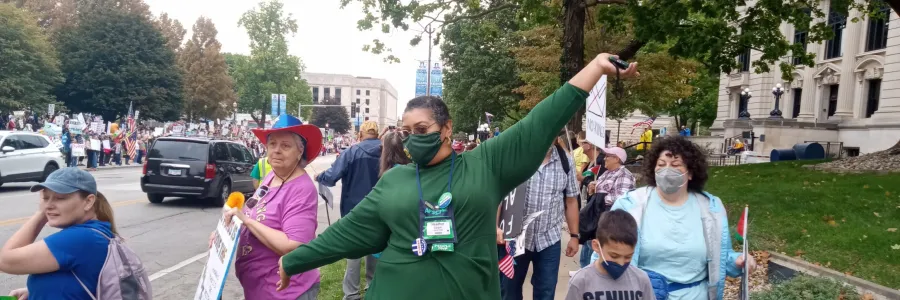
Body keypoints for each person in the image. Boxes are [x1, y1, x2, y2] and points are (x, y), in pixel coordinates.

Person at [276, 53, 638, 299]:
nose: (412, 138)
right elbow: (347, 234)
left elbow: (540, 122)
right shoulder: (393, 182)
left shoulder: (485, 165)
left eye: (422, 128)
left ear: (446, 128)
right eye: (406, 131)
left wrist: (594, 67)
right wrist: (294, 260)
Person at [591, 136, 756, 300]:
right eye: (661, 164)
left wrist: (739, 261)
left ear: (690, 172)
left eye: (675, 165)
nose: (666, 170)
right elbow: (604, 254)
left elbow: (722, 257)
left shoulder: (711, 208)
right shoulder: (630, 205)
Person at [218, 115, 323, 300]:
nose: (276, 151)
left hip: (288, 292)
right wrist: (223, 233)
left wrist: (246, 221)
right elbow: (253, 213)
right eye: (272, 144)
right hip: (261, 289)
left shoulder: (302, 189)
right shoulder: (271, 176)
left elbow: (292, 246)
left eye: (285, 145)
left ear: (300, 152)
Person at [0, 168, 120, 299]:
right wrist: (36, 291)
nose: (48, 205)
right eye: (45, 198)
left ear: (88, 201)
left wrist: (41, 214)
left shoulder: (81, 238)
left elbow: (5, 261)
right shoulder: (95, 232)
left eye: (60, 198)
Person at [499, 135, 579, 300]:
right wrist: (496, 227)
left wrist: (574, 236)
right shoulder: (517, 158)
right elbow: (499, 194)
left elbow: (571, 200)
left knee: (546, 293)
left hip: (549, 240)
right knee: (509, 291)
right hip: (515, 238)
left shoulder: (566, 162)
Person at [316, 120, 382, 300]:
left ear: (360, 134)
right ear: (377, 134)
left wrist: (319, 176)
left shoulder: (352, 151)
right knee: (376, 250)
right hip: (380, 211)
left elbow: (330, 177)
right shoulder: (387, 151)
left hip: (355, 211)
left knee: (354, 253)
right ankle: (373, 289)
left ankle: (352, 295)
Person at [566, 210, 655, 300]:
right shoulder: (580, 281)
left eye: (628, 256)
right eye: (614, 256)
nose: (621, 263)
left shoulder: (641, 280)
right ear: (596, 246)